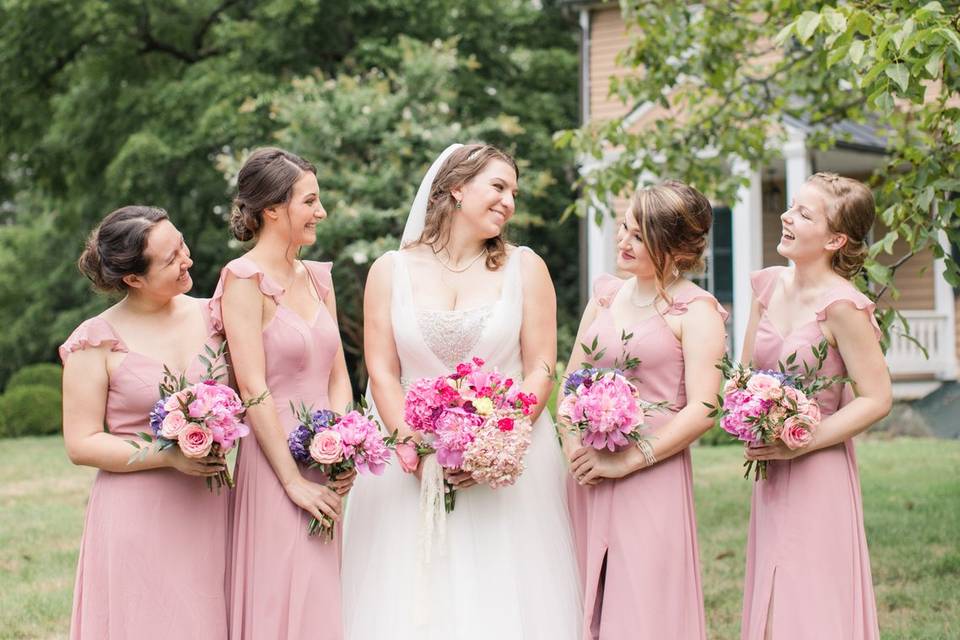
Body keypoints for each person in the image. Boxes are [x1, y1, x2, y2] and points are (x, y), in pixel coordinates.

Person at [341, 143, 582, 639]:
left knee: (504, 596)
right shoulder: (390, 270)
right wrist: (414, 446)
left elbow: (541, 366)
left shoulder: (525, 267)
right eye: (498, 186)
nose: (509, 201)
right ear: (455, 188)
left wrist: (495, 441)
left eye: (514, 192)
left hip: (504, 463)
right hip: (409, 465)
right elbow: (382, 372)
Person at [562, 181, 727, 639]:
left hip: (651, 475)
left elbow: (704, 408)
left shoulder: (696, 311)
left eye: (638, 234)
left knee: (642, 604)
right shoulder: (604, 297)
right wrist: (575, 448)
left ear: (674, 246)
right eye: (623, 228)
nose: (623, 241)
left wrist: (630, 461)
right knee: (581, 594)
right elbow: (570, 384)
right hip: (586, 475)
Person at [61, 206, 229, 639]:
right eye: (171, 259)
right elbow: (81, 443)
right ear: (133, 279)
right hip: (137, 512)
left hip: (214, 505)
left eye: (182, 245)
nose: (187, 260)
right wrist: (167, 455)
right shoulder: (95, 341)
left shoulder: (217, 315)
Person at [739, 172, 891, 639]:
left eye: (804, 214)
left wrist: (801, 442)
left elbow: (878, 397)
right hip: (772, 471)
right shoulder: (766, 287)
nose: (786, 217)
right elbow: (743, 375)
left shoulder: (844, 305)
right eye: (791, 207)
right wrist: (749, 415)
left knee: (810, 600)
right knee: (772, 598)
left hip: (819, 470)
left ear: (835, 239)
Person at [210, 147, 353, 640]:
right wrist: (293, 481)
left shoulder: (318, 277)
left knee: (324, 595)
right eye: (310, 201)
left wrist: (345, 447)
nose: (321, 212)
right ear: (273, 209)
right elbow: (252, 388)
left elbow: (338, 374)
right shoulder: (242, 281)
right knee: (283, 591)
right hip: (275, 466)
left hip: (329, 461)